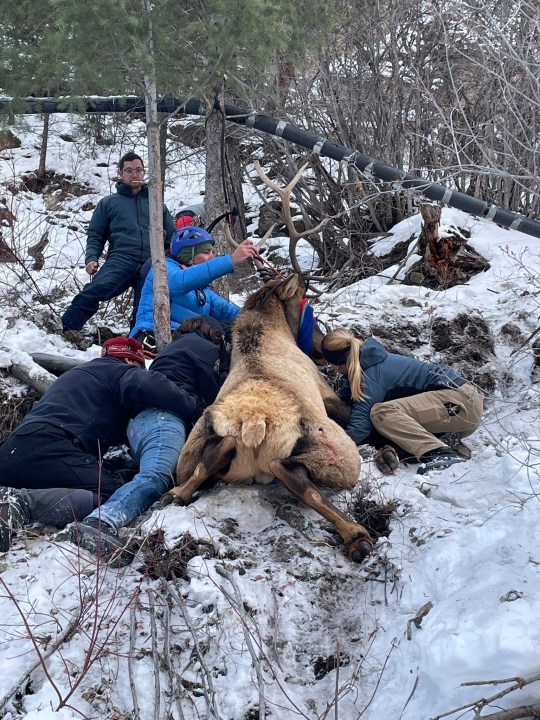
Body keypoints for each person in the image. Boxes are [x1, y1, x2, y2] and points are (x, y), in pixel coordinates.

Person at [0, 337, 203, 552]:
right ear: (130, 360)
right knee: (105, 495)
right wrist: (197, 412)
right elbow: (149, 385)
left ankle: (12, 496)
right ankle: (23, 504)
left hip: (11, 451)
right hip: (54, 446)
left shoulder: (78, 374)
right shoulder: (120, 371)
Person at [72, 316, 229, 565]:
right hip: (163, 418)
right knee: (157, 474)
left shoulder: (173, 350)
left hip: (140, 425)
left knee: (154, 472)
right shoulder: (207, 348)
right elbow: (216, 392)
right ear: (213, 333)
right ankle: (102, 521)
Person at [320, 329, 484, 474]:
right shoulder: (363, 364)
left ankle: (440, 453)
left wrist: (336, 446)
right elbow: (346, 402)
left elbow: (361, 425)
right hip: (456, 409)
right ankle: (444, 440)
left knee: (381, 413)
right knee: (386, 423)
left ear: (337, 364)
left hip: (459, 401)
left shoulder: (370, 375)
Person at [61, 152, 176, 334]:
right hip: (122, 258)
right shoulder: (108, 203)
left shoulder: (157, 205)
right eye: (129, 171)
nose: (134, 175)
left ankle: (136, 345)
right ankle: (67, 330)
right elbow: (96, 235)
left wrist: (176, 263)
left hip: (152, 263)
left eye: (138, 170)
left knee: (144, 311)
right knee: (94, 290)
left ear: (144, 172)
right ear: (121, 173)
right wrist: (91, 258)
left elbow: (172, 239)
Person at [130, 225, 260, 350]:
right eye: (206, 252)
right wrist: (230, 260)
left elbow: (230, 312)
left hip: (186, 341)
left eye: (212, 252)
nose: (212, 257)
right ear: (187, 254)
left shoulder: (203, 291)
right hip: (150, 338)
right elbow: (181, 281)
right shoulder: (162, 269)